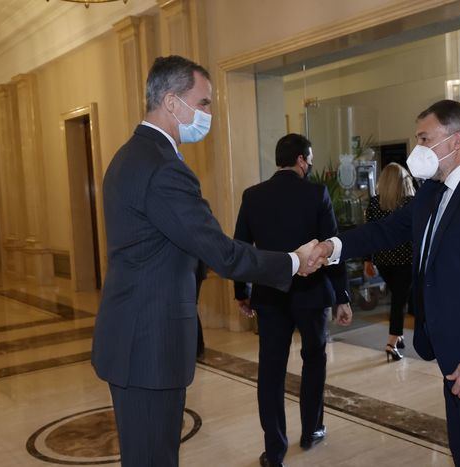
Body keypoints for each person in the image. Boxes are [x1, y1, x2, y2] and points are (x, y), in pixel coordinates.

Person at [91, 55, 323, 467]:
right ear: (171, 101)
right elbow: (221, 251)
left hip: (134, 335)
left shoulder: (130, 155)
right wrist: (291, 262)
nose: (209, 113)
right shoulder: (162, 167)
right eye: (204, 103)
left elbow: (167, 246)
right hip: (149, 344)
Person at [307, 100, 460, 466]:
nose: (417, 149)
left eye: (425, 138)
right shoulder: (433, 191)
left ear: (455, 141)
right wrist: (331, 246)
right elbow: (386, 230)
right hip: (458, 359)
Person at [234, 133, 353, 467]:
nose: (311, 163)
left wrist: (241, 292)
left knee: (270, 372)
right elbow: (333, 249)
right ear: (302, 159)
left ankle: (275, 451)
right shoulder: (317, 193)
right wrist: (342, 296)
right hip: (312, 296)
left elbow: (241, 249)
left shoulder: (253, 196)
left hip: (269, 297)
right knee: (314, 360)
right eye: (310, 157)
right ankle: (311, 430)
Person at [364, 162, 416, 362]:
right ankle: (392, 342)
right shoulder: (410, 202)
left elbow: (369, 234)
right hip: (406, 259)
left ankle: (399, 335)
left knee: (398, 296)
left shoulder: (375, 203)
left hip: (384, 260)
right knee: (399, 300)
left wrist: (368, 260)